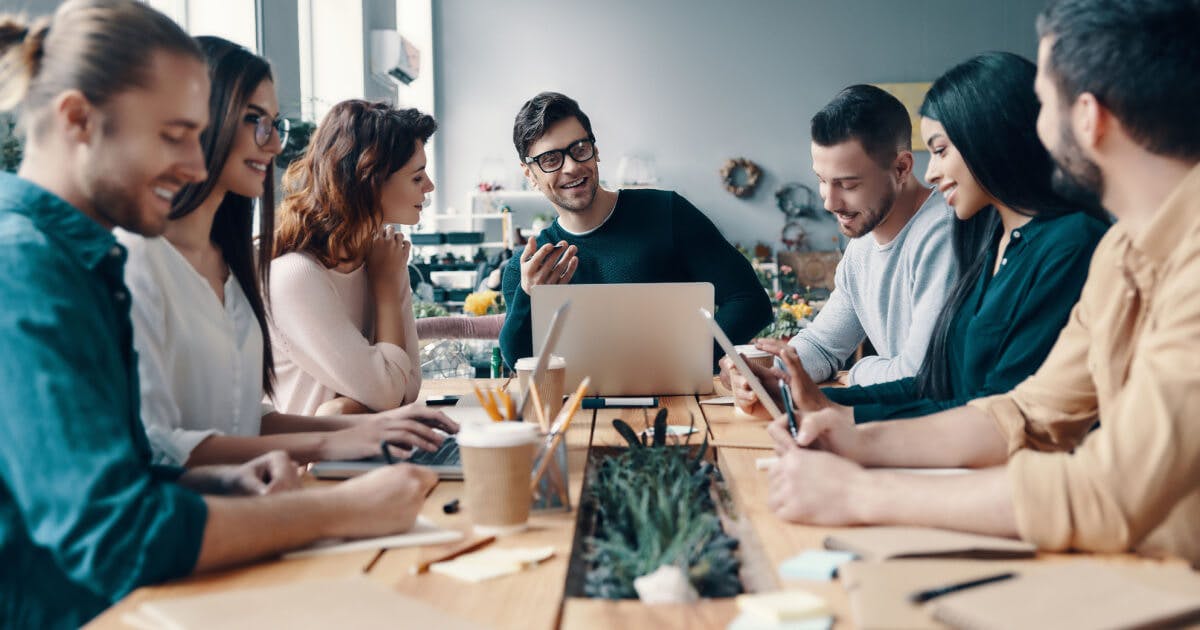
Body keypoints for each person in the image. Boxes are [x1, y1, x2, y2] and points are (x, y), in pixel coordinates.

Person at [0, 3, 435, 626]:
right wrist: (346, 510)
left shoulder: (78, 259)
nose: (197, 165)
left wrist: (218, 483)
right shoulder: (24, 268)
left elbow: (131, 467)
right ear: (78, 121)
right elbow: (114, 534)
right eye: (174, 135)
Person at [764, 0, 1200, 567]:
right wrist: (852, 437)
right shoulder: (1123, 249)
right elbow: (1024, 412)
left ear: (1088, 118)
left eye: (1043, 103)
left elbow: (1110, 490)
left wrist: (859, 491)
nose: (1033, 125)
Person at [118, 37, 456, 466]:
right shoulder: (143, 262)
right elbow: (160, 449)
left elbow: (246, 420)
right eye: (258, 122)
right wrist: (350, 430)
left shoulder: (232, 262)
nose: (276, 145)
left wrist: (366, 429)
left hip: (262, 493)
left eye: (275, 124)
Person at [728, 52, 1109, 422]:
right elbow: (946, 387)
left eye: (940, 150)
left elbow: (976, 404)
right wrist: (786, 386)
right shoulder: (994, 240)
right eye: (822, 182)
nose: (829, 202)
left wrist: (850, 393)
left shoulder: (1020, 239)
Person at [497, 91, 772, 368]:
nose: (571, 167)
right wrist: (528, 294)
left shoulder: (667, 212)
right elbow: (517, 361)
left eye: (580, 149)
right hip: (579, 408)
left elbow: (749, 301)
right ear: (530, 174)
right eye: (550, 160)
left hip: (677, 404)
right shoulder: (531, 268)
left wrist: (687, 360)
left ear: (596, 151)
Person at [721, 85, 958, 397]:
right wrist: (768, 374)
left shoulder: (943, 235)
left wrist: (858, 372)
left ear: (901, 168)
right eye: (822, 180)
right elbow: (822, 345)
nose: (829, 203)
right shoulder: (862, 244)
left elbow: (922, 377)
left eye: (847, 184)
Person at [270, 100, 436, 416]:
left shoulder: (381, 255)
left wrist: (346, 407)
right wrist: (386, 287)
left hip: (372, 450)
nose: (429, 186)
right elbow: (389, 392)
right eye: (417, 177)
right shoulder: (296, 275)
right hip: (312, 463)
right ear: (370, 182)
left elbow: (408, 386)